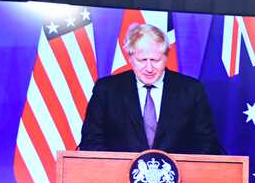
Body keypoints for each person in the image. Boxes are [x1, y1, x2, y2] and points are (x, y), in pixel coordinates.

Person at [79, 23, 224, 155]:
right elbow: (91, 141)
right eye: (142, 60)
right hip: (117, 181)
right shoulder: (106, 90)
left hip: (179, 180)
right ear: (130, 58)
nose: (149, 68)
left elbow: (206, 143)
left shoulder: (191, 90)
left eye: (155, 60)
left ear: (166, 57)